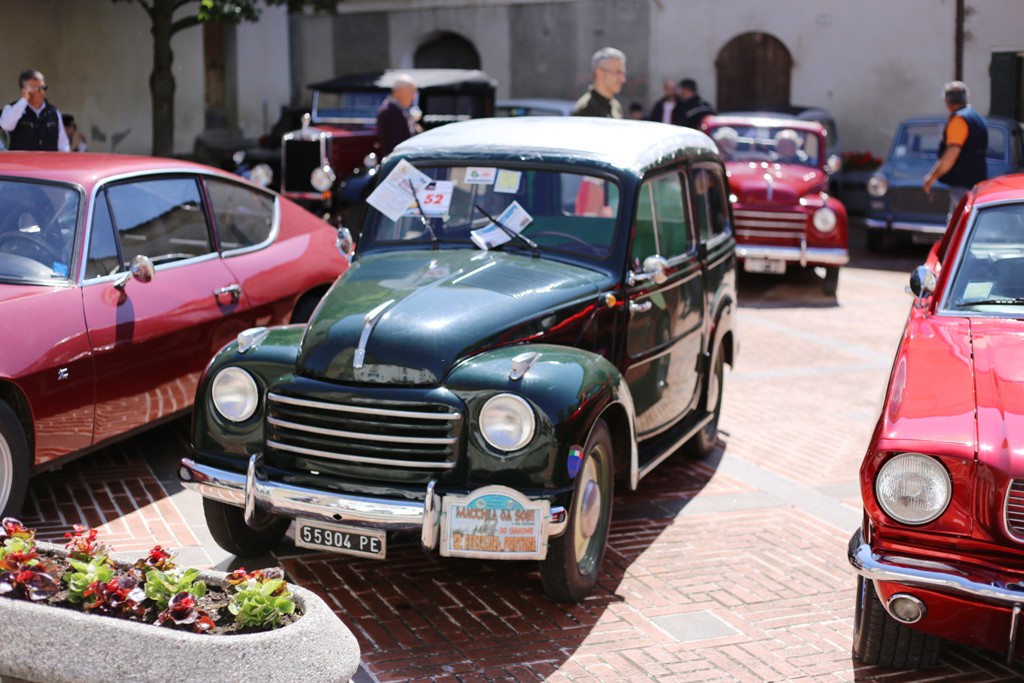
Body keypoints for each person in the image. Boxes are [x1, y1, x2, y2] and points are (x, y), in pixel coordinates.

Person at [923, 80, 988, 219]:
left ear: (946, 101)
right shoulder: (977, 117)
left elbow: (951, 154)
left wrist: (932, 177)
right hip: (976, 181)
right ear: (967, 97)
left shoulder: (959, 120)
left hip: (962, 184)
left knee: (961, 222)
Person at [0, 70, 70, 151]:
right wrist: (24, 100)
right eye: (37, 89)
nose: (42, 92)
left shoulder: (53, 112)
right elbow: (6, 126)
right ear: (24, 89)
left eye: (43, 88)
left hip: (48, 159)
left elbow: (63, 145)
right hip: (22, 159)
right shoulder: (11, 108)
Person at [572, 47, 626, 119]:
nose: (622, 79)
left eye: (622, 73)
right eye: (617, 72)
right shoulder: (585, 111)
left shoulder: (616, 106)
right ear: (599, 73)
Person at [376, 73, 418, 158]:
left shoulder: (394, 109)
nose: (413, 97)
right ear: (400, 91)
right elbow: (397, 145)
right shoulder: (391, 112)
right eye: (411, 92)